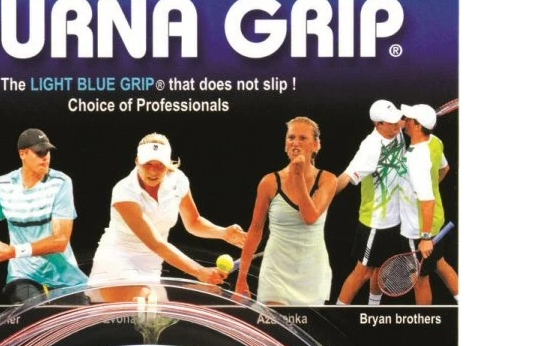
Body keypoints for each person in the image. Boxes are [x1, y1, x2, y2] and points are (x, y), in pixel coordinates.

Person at [86, 133, 246, 302]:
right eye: (148, 163)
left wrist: (224, 233)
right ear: (137, 161)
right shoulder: (124, 191)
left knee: (156, 312)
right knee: (146, 303)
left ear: (169, 164)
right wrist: (199, 271)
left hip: (152, 265)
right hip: (115, 261)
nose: (153, 171)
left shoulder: (178, 180)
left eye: (160, 165)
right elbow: (156, 243)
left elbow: (193, 222)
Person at [0, 128, 88, 303]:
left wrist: (14, 251)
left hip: (64, 277)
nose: (45, 157)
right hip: (23, 276)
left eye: (47, 152)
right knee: (33, 314)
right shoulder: (2, 185)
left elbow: (60, 240)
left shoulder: (61, 182)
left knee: (78, 320)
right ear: (22, 154)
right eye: (39, 152)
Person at [235, 117, 337, 305]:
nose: (295, 142)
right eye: (291, 137)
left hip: (312, 275)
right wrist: (241, 278)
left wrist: (298, 176)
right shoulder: (269, 182)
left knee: (304, 325)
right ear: (285, 145)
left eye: (302, 138)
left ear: (316, 145)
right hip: (275, 274)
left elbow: (310, 217)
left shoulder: (328, 180)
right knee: (274, 322)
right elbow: (255, 230)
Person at [333, 100, 407, 305]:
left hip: (395, 219)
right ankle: (338, 310)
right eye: (391, 122)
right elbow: (346, 176)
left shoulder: (396, 128)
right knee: (363, 271)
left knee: (381, 269)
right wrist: (319, 202)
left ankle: (373, 309)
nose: (397, 124)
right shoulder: (370, 147)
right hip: (375, 223)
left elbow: (407, 123)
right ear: (378, 124)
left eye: (397, 119)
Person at [397, 103, 458, 305]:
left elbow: (427, 200)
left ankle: (424, 319)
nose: (404, 121)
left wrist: (425, 238)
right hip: (436, 218)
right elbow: (445, 169)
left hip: (419, 227)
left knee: (419, 279)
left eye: (408, 119)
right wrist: (427, 187)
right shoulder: (435, 142)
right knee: (440, 264)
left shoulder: (415, 159)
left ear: (417, 126)